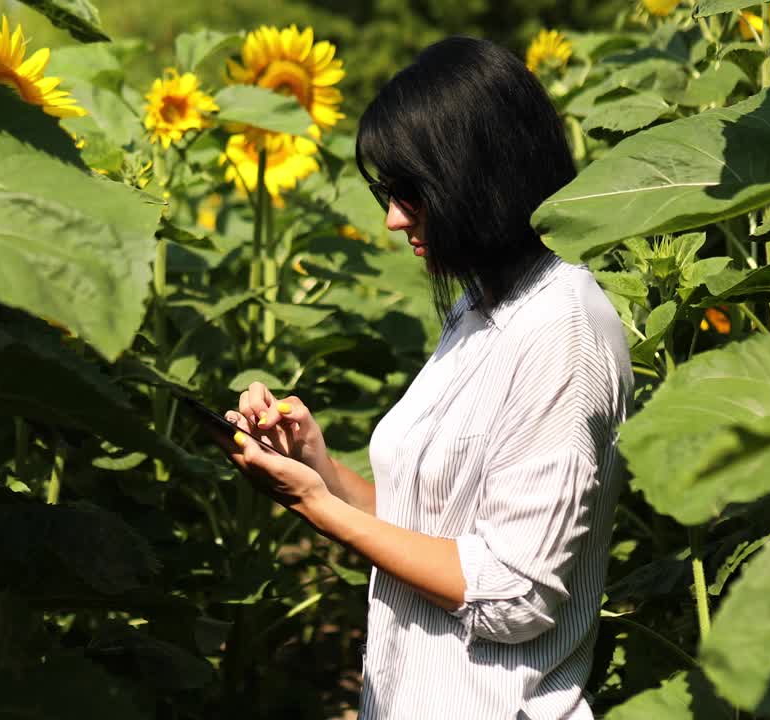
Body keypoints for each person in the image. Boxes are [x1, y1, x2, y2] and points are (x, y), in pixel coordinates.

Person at [217, 36, 634, 719]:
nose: (392, 217)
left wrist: (314, 509)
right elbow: (425, 526)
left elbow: (514, 593)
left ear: (481, 174)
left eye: (412, 191)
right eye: (389, 192)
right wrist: (314, 464)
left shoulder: (562, 328)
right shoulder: (481, 310)